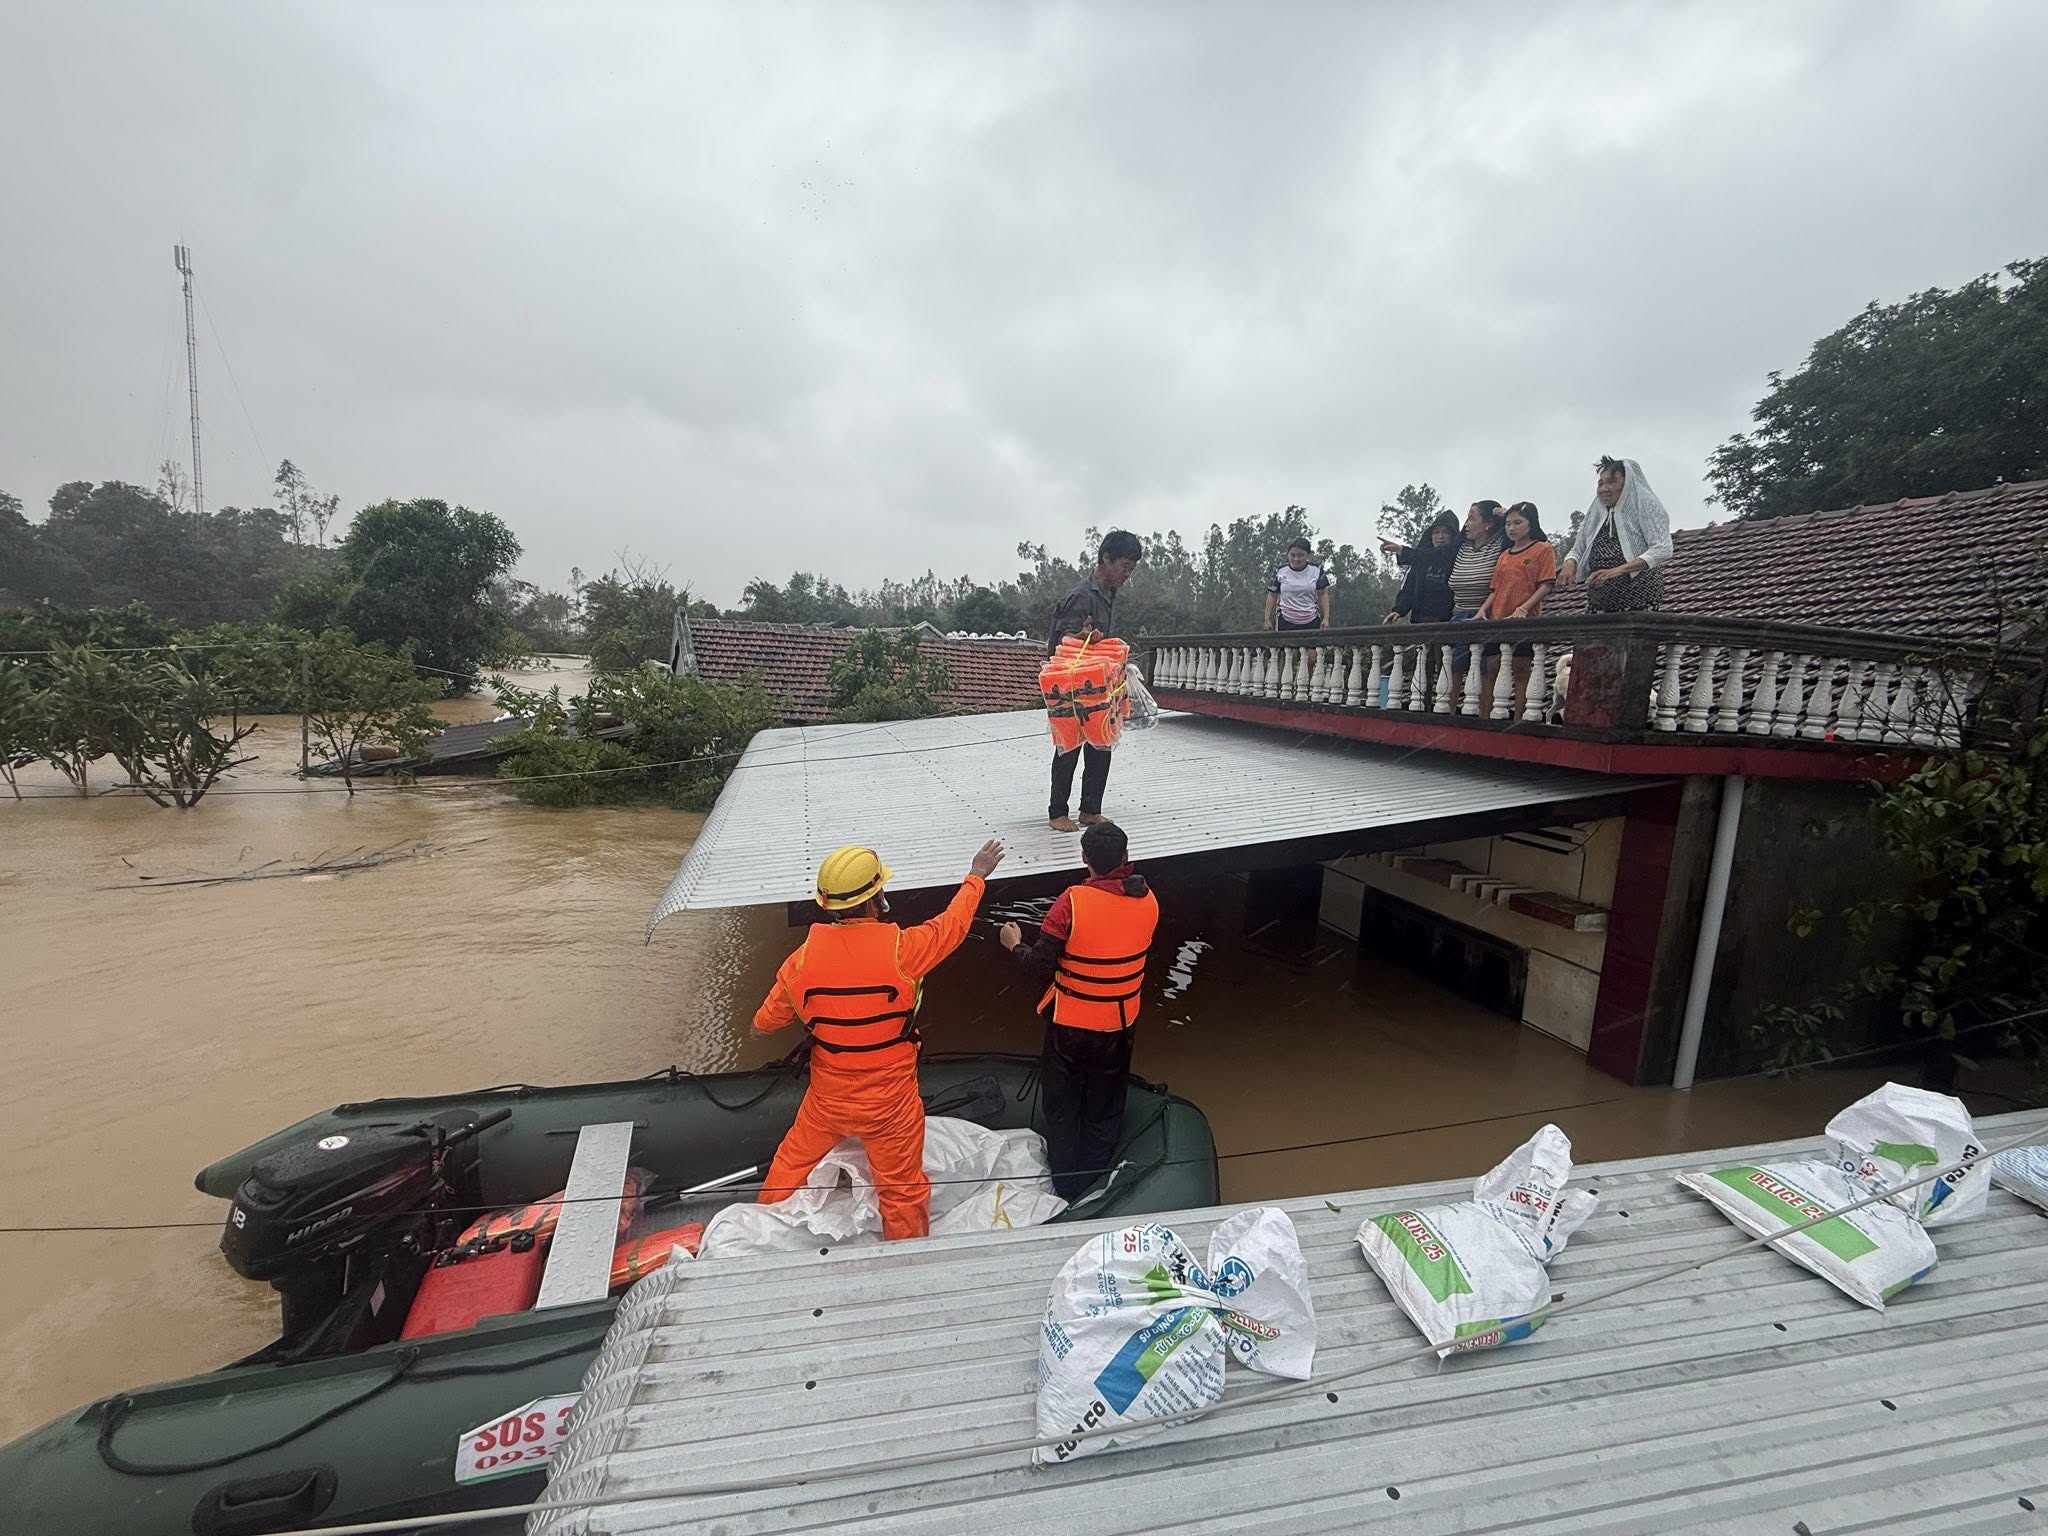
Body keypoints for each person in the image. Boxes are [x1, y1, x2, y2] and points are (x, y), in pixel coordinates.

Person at [752, 836, 1008, 1241]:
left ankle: (757, 1229)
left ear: (827, 905)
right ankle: (904, 1257)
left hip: (828, 1100)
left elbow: (764, 1024)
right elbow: (954, 925)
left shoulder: (798, 963)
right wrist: (976, 875)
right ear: (877, 898)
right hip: (891, 1105)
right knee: (902, 1190)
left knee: (790, 1165)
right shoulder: (905, 950)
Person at [997, 820, 1158, 1199]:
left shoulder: (1071, 903)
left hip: (1070, 1028)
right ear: (1126, 857)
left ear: (1085, 858)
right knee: (1105, 1106)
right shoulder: (1149, 900)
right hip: (1119, 1025)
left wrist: (1014, 944)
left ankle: (1067, 1185)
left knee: (1062, 1106)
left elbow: (1039, 966)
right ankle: (1094, 1184)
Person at [1046, 529, 1143, 832]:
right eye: (1124, 566)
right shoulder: (1081, 596)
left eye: (1131, 569)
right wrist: (1082, 636)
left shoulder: (1108, 592)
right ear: (1106, 559)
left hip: (1098, 683)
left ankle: (1090, 810)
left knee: (1101, 741)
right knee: (1069, 745)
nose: (1127, 574)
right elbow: (1060, 644)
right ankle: (1057, 812)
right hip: (1071, 687)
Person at [1557, 456, 1674, 611]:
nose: (1604, 489)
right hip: (1600, 600)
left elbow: (1662, 549)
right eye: (1601, 483)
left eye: (1611, 482)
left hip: (1639, 598)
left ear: (1628, 483)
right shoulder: (1595, 513)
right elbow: (1578, 550)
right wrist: (1569, 563)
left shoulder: (1647, 506)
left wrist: (1617, 571)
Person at [1475, 501, 1557, 716]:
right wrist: (1483, 610)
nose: (1512, 528)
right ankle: (1486, 718)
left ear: (1531, 523)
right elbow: (1495, 589)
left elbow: (1546, 584)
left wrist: (1524, 608)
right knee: (1490, 668)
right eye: (1508, 523)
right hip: (1498, 618)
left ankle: (1519, 717)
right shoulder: (1504, 555)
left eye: (1518, 523)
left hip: (1525, 620)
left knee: (1521, 671)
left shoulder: (1543, 549)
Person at [1446, 500, 1507, 681]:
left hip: (1487, 615)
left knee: (1484, 671)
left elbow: (1534, 535)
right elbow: (1430, 556)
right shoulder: (1460, 546)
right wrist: (1403, 551)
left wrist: (1506, 514)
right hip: (1459, 615)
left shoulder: (1502, 545)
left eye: (1472, 518)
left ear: (1488, 523)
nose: (1466, 524)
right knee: (1453, 668)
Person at [1380, 509, 1461, 624]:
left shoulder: (1458, 558)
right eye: (1436, 532)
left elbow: (1438, 556)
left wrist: (1401, 550)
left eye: (1445, 532)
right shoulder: (1420, 559)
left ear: (1453, 535)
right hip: (1420, 621)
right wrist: (1399, 610)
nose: (1440, 536)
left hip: (1449, 622)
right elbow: (1409, 587)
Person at [1264, 538, 1333, 631]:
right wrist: (1267, 619)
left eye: (1300, 555)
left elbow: (1323, 595)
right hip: (1285, 621)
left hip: (1311, 621)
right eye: (1292, 555)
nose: (1296, 559)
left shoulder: (1317, 570)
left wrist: (1326, 618)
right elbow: (1272, 595)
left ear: (1308, 555)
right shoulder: (1280, 571)